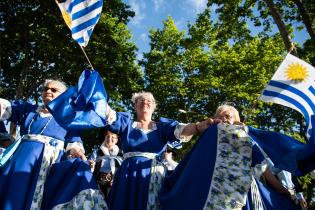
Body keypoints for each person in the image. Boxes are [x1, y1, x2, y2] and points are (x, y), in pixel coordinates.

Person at [159, 104, 315, 210]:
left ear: (237, 120)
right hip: (208, 191)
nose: (226, 119)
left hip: (242, 191)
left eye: (230, 116)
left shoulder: (245, 138)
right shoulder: (209, 137)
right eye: (222, 116)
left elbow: (261, 167)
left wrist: (284, 192)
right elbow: (193, 166)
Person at [0, 79, 107, 210]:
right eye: (45, 89)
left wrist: (78, 153)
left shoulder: (69, 117)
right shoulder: (30, 110)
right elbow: (7, 108)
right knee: (16, 190)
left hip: (50, 163)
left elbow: (73, 142)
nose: (48, 91)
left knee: (45, 196)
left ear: (63, 95)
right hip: (23, 158)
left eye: (53, 90)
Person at [90, 129, 123, 197]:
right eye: (107, 136)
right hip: (98, 182)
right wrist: (91, 165)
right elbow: (90, 164)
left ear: (116, 140)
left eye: (113, 137)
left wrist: (116, 179)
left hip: (115, 182)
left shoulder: (121, 154)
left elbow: (123, 169)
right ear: (104, 138)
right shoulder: (97, 152)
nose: (109, 139)